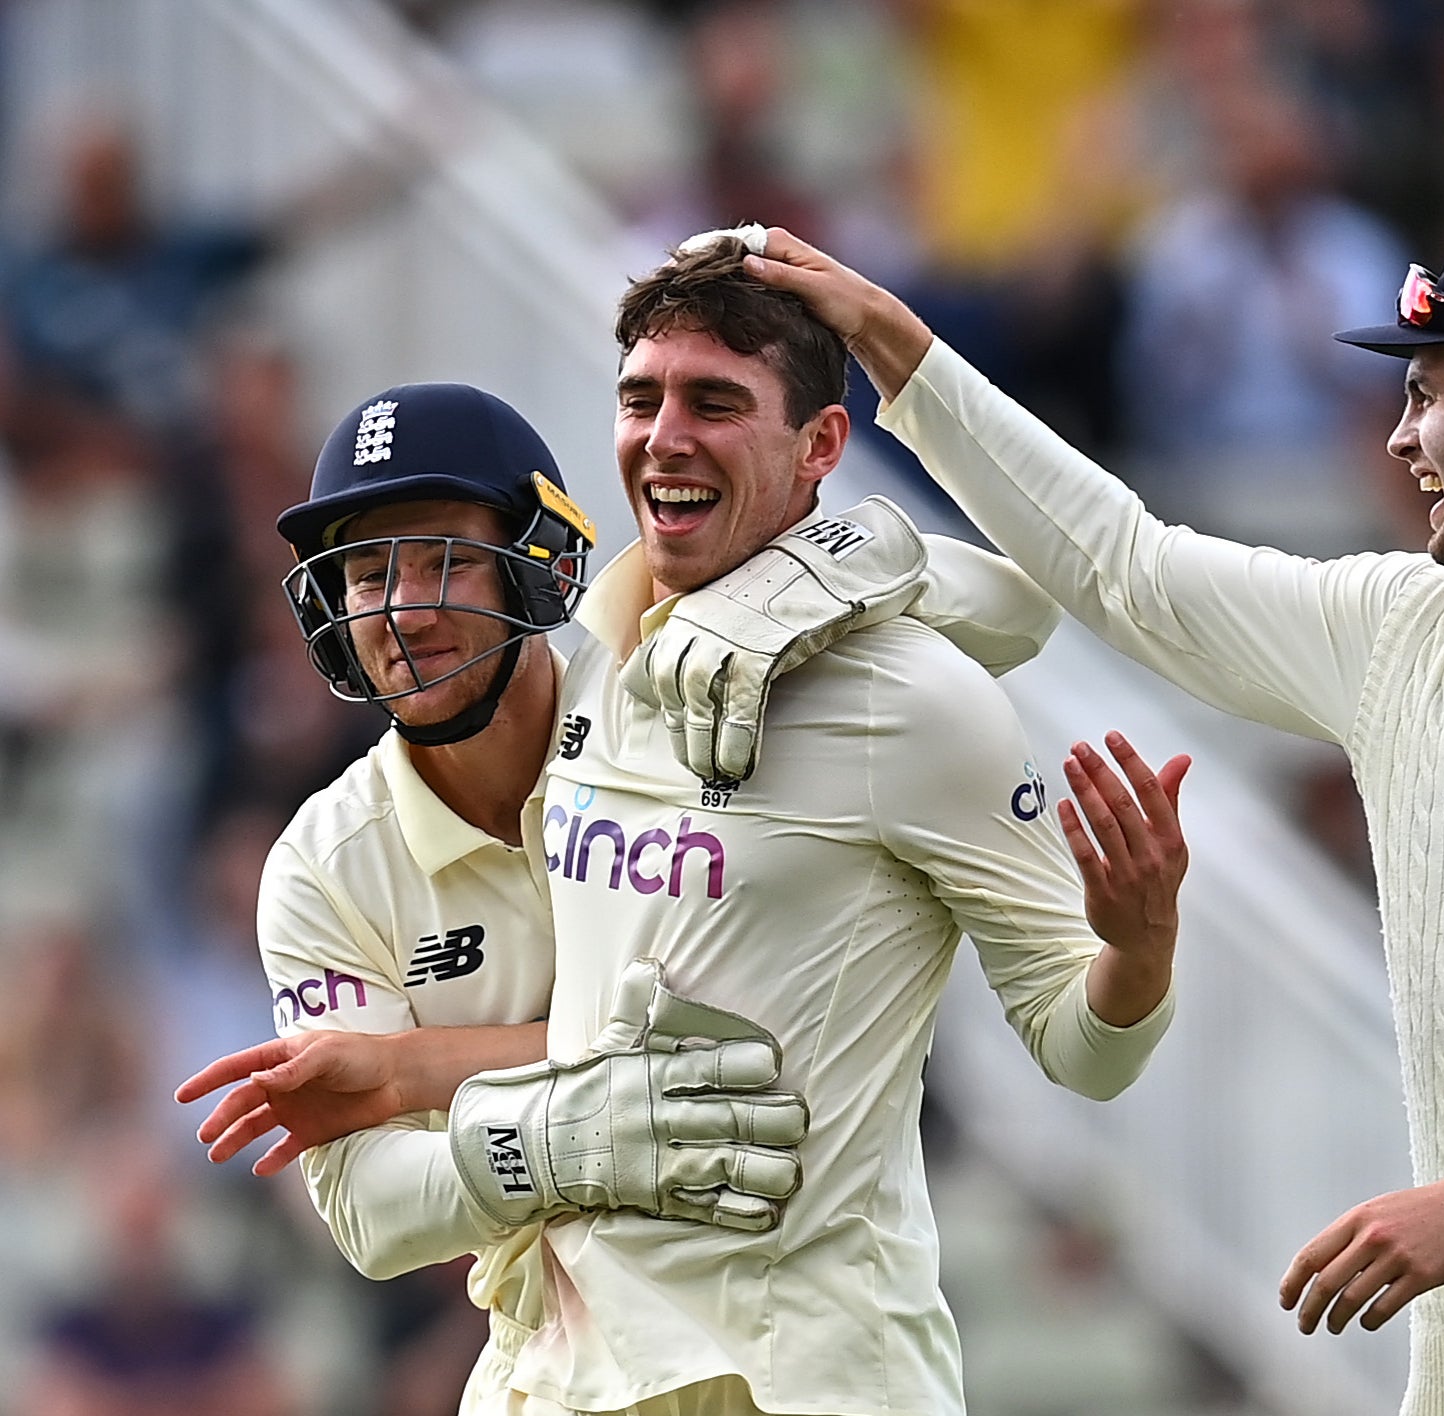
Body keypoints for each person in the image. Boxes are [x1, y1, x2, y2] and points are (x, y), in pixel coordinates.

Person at [741, 223, 1444, 1415]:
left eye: (1425, 394)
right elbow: (1129, 569)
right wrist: (896, 352)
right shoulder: (1399, 628)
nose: (1397, 438)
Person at [184, 235, 1191, 1416]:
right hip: (550, 1379)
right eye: (364, 576)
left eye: (443, 561)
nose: (402, 613)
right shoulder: (579, 703)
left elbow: (1003, 608)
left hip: (809, 1376)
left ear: (532, 564)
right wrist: (546, 1131)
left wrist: (1142, 949)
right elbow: (373, 1212)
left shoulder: (672, 680)